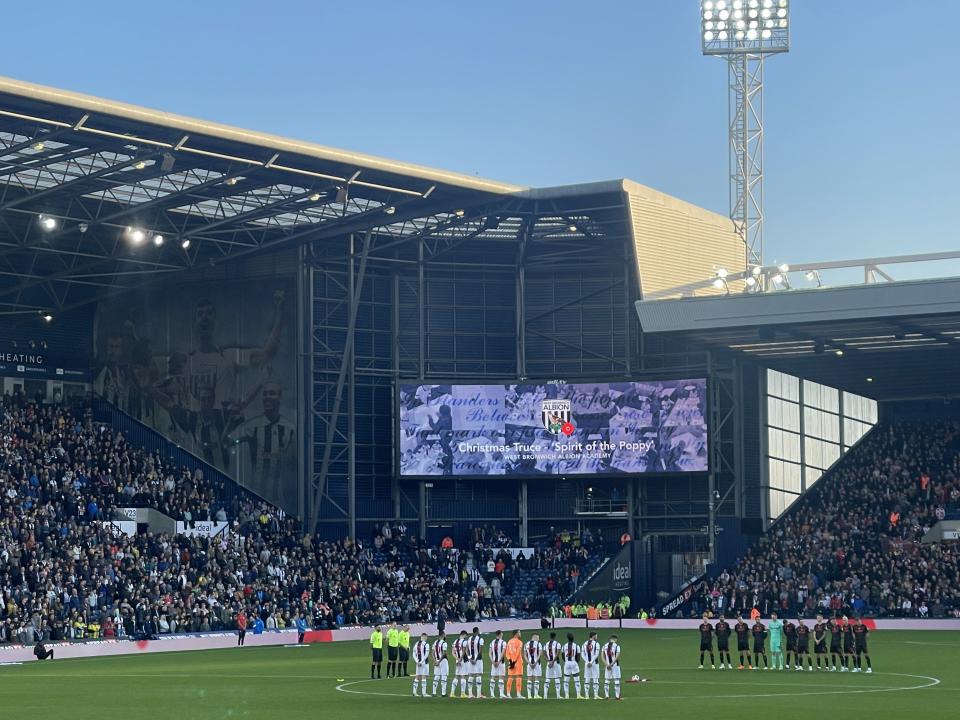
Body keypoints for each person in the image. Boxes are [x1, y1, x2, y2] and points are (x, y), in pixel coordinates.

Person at [581, 631, 601, 699]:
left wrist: (587, 662)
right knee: (595, 678)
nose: (597, 637)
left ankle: (587, 695)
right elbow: (596, 654)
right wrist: (591, 662)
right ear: (593, 636)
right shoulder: (597, 644)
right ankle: (596, 695)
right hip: (595, 663)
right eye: (596, 636)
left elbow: (582, 654)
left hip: (587, 664)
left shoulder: (584, 644)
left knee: (587, 678)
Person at [488, 629, 508, 699]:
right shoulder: (503, 642)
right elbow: (503, 653)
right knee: (501, 677)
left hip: (493, 662)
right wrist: (499, 661)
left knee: (493, 677)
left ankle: (492, 694)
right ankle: (501, 694)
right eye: (502, 633)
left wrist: (492, 661)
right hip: (500, 662)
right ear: (500, 634)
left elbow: (490, 653)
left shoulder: (492, 642)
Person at [505, 629, 524, 699]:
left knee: (510, 677)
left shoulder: (509, 642)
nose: (520, 634)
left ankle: (508, 694)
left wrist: (510, 661)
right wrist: (514, 661)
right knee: (518, 677)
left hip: (510, 662)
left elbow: (507, 653)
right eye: (519, 632)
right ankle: (518, 694)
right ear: (516, 633)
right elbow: (518, 652)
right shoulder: (519, 642)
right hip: (517, 662)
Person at [562, 632, 582, 700]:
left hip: (567, 663)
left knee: (566, 681)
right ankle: (578, 695)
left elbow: (562, 655)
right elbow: (578, 657)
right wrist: (576, 663)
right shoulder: (577, 646)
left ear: (567, 638)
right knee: (577, 680)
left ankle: (566, 695)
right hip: (574, 663)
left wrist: (566, 662)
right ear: (573, 638)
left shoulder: (564, 646)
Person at [543, 631, 563, 700]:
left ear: (550, 636)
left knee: (547, 678)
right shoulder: (558, 644)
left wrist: (549, 661)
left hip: (549, 663)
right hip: (556, 662)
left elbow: (544, 654)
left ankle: (545, 695)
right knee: (557, 678)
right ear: (555, 637)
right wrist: (553, 661)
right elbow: (557, 654)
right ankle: (558, 695)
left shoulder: (546, 644)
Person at [602, 634, 622, 700]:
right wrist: (612, 664)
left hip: (607, 665)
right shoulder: (617, 646)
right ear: (615, 639)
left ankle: (606, 695)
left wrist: (607, 664)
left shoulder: (604, 646)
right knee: (616, 680)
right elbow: (617, 656)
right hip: (615, 665)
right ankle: (617, 696)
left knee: (607, 680)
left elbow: (602, 656)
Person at [412, 632, 432, 697]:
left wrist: (417, 661)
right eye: (426, 637)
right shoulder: (426, 644)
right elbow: (426, 654)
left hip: (418, 663)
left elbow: (413, 654)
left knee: (417, 676)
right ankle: (424, 693)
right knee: (424, 676)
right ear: (425, 637)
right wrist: (421, 661)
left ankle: (414, 692)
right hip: (424, 663)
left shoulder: (416, 644)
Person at [525, 632, 543, 700]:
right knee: (536, 678)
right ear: (534, 637)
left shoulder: (526, 644)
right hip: (537, 663)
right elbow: (540, 654)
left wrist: (529, 663)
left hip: (529, 663)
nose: (538, 639)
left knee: (529, 679)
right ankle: (536, 695)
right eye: (538, 637)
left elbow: (524, 655)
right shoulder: (539, 644)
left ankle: (529, 695)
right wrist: (535, 662)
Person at [467, 626, 485, 698]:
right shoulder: (480, 639)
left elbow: (467, 650)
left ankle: (470, 694)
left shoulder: (469, 639)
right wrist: (476, 660)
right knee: (478, 675)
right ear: (477, 631)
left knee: (471, 675)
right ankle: (478, 694)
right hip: (478, 660)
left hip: (471, 660)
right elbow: (480, 651)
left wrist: (470, 659)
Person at [432, 631, 450, 698]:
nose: (446, 636)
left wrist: (435, 661)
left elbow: (432, 653)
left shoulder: (435, 642)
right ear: (442, 635)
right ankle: (443, 693)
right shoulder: (444, 643)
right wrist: (439, 662)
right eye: (445, 634)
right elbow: (444, 653)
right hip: (443, 661)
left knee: (436, 676)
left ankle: (434, 693)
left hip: (436, 660)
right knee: (444, 676)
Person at [452, 630, 469, 698]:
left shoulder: (455, 642)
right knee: (463, 676)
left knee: (456, 676)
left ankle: (452, 693)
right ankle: (462, 693)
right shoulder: (465, 642)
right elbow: (465, 651)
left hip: (457, 661)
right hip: (463, 660)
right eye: (466, 635)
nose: (466, 637)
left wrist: (457, 659)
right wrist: (461, 658)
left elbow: (453, 652)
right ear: (464, 634)